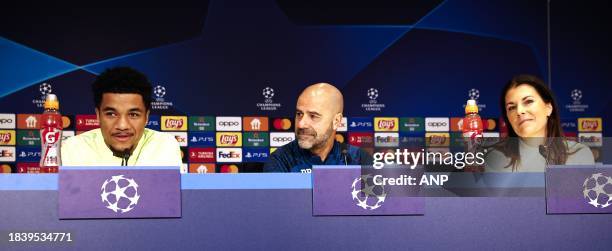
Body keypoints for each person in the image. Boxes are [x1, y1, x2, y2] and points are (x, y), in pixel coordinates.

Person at [61, 67, 182, 166]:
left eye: (133, 114)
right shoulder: (75, 148)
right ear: (98, 115)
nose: (122, 125)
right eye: (111, 114)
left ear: (146, 117)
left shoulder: (164, 146)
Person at [485, 74, 594, 172]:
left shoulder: (579, 154)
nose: (519, 111)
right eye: (511, 107)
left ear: (548, 108)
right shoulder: (493, 157)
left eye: (528, 101)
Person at [264, 83, 372, 172]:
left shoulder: (359, 159)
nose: (301, 124)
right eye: (299, 114)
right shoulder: (280, 161)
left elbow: (376, 197)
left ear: (336, 121)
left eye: (313, 116)